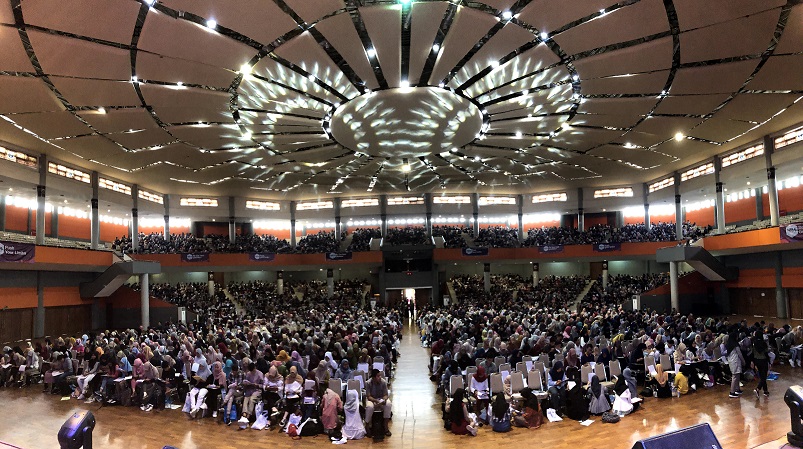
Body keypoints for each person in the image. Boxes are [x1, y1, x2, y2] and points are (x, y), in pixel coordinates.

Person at [365, 369, 392, 437]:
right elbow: (368, 396)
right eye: (378, 376)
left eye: (380, 375)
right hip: (372, 400)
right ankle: (367, 426)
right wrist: (376, 401)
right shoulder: (368, 383)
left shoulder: (383, 382)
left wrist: (384, 400)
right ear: (373, 377)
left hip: (381, 399)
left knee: (388, 404)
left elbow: (386, 394)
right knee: (369, 407)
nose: (380, 377)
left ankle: (386, 426)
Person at [726, 333, 745, 398]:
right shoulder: (735, 345)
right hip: (735, 361)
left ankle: (737, 389)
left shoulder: (728, 344)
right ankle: (732, 392)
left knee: (737, 375)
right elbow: (740, 354)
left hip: (731, 361)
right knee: (734, 376)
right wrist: (743, 361)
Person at [752, 329, 770, 398]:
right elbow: (766, 352)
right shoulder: (763, 343)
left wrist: (753, 362)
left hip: (757, 361)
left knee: (762, 376)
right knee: (764, 376)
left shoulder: (754, 343)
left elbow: (752, 353)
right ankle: (758, 388)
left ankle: (766, 391)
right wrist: (769, 362)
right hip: (763, 360)